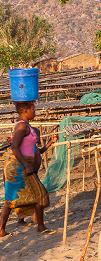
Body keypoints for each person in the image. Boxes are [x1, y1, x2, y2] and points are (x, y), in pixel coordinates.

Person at [0, 101, 55, 236]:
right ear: (25, 110)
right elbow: (14, 147)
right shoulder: (21, 127)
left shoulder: (27, 127)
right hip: (18, 167)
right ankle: (40, 227)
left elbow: (34, 150)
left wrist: (49, 144)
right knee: (39, 194)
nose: (34, 112)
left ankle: (2, 229)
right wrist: (26, 165)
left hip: (22, 166)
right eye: (33, 109)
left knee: (11, 199)